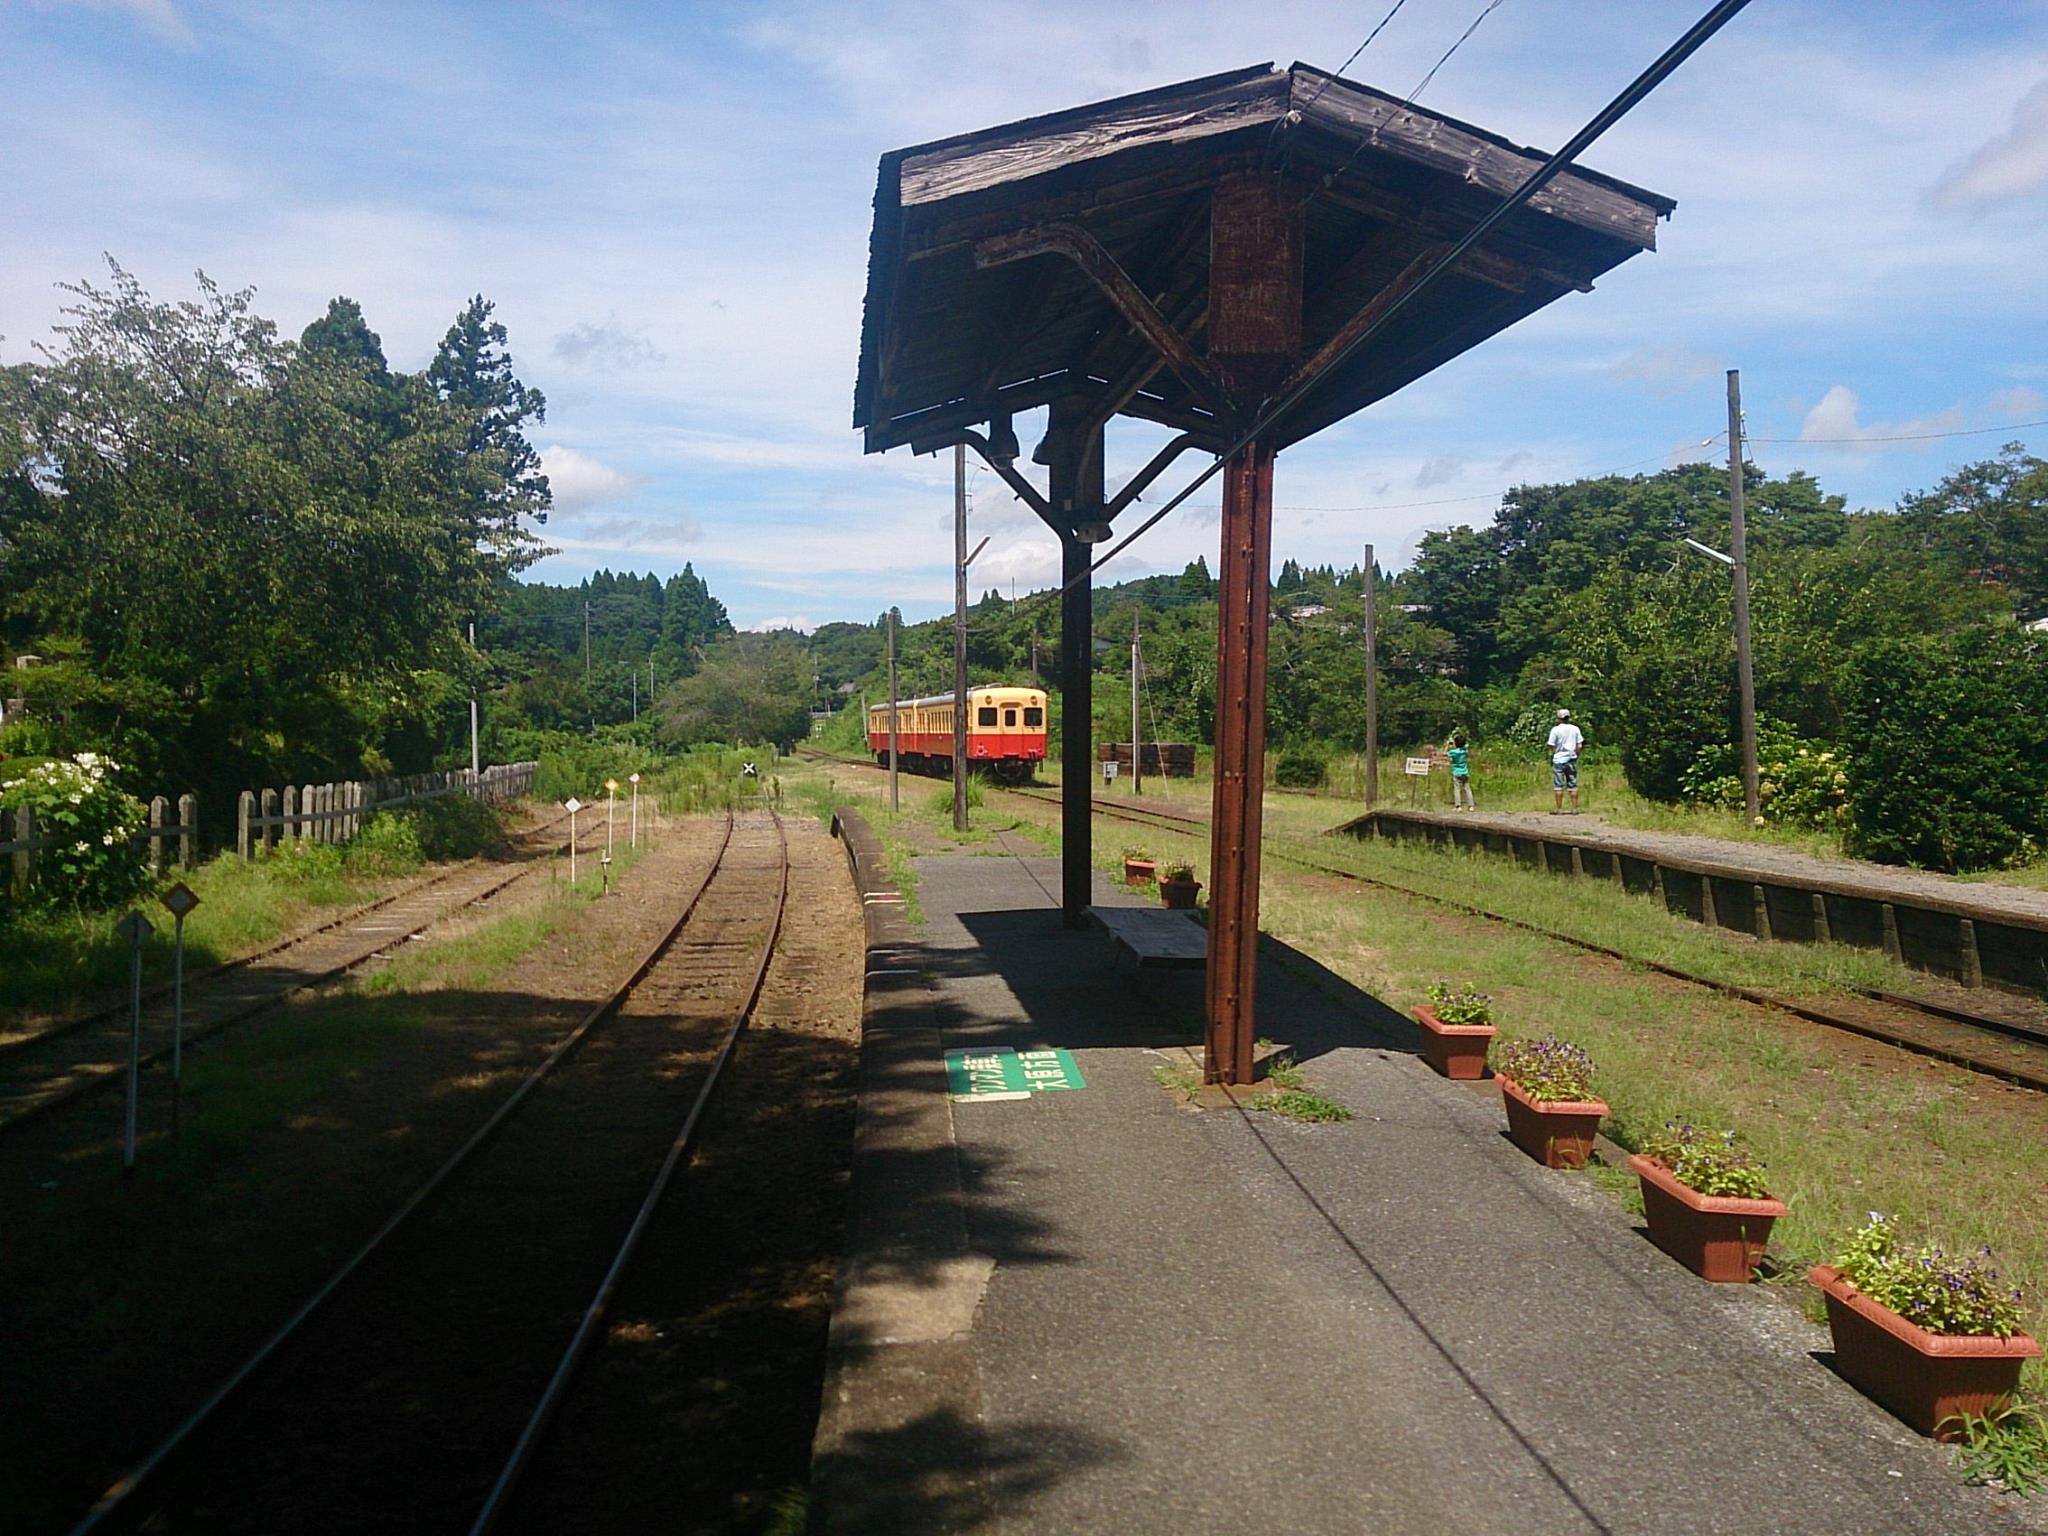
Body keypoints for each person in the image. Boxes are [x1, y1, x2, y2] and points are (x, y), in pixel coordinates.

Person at [1547, 708, 1584, 813]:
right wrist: (1576, 754)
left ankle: (1559, 809)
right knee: (1573, 784)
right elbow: (1580, 745)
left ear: (1559, 718)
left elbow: (1551, 745)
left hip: (1559, 760)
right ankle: (1575, 808)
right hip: (1571, 759)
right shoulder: (1575, 729)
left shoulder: (1555, 730)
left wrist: (1554, 752)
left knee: (1558, 785)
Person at [1445, 732, 1475, 809]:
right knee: (1467, 789)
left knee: (1457, 789)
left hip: (1456, 773)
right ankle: (1471, 806)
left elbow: (1445, 753)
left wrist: (1448, 745)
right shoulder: (1465, 751)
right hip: (1465, 772)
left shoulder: (1453, 752)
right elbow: (1466, 746)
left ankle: (1458, 806)